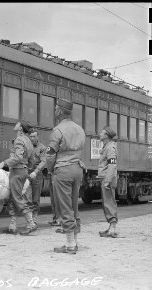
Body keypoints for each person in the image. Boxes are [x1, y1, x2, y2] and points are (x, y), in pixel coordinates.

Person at [46, 98, 86, 254]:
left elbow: (50, 154)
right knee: (74, 204)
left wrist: (50, 169)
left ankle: (70, 245)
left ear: (60, 111)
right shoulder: (79, 129)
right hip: (77, 169)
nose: (54, 110)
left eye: (56, 108)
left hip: (63, 169)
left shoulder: (58, 130)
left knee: (64, 206)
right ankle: (75, 240)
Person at [0, 120, 35, 235]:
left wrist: (4, 163)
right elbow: (32, 159)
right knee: (13, 197)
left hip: (17, 171)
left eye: (18, 123)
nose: (16, 124)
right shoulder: (28, 140)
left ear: (21, 128)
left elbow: (17, 157)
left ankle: (31, 223)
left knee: (17, 198)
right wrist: (26, 168)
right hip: (22, 170)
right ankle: (12, 225)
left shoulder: (19, 140)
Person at [98, 126, 119, 238]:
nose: (100, 134)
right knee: (107, 202)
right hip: (106, 177)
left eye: (102, 132)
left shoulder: (110, 147)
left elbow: (112, 164)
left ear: (106, 135)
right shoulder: (107, 146)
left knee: (109, 202)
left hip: (108, 178)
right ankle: (111, 228)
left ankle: (112, 228)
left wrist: (107, 180)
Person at [28, 128, 47, 225]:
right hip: (27, 174)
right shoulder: (27, 146)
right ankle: (29, 219)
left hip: (37, 175)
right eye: (30, 136)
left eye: (34, 136)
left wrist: (35, 171)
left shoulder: (42, 148)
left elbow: (43, 161)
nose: (32, 138)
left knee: (35, 199)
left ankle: (34, 218)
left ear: (38, 137)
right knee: (27, 198)